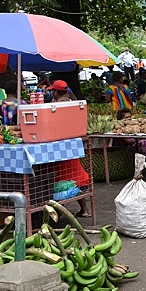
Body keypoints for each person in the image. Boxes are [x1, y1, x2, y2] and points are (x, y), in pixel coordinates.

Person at [52, 81, 90, 217]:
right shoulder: (74, 104)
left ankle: (58, 211)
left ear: (56, 92)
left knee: (60, 174)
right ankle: (84, 210)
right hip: (74, 142)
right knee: (75, 170)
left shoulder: (55, 106)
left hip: (59, 143)